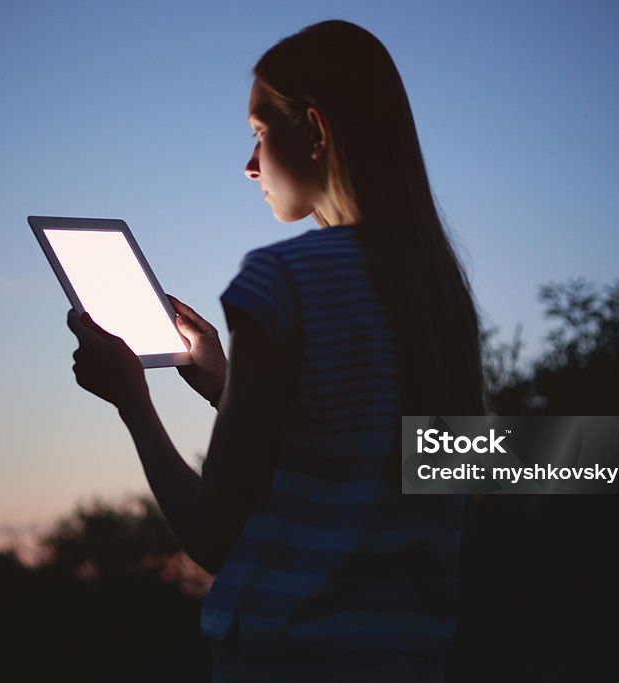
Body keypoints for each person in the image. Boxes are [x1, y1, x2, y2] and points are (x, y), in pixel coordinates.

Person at [66, 19, 485, 682]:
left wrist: (132, 400)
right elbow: (356, 459)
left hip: (288, 660)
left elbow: (212, 534)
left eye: (261, 131)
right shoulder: (438, 290)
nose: (249, 162)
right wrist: (224, 383)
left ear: (315, 132)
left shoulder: (280, 280)